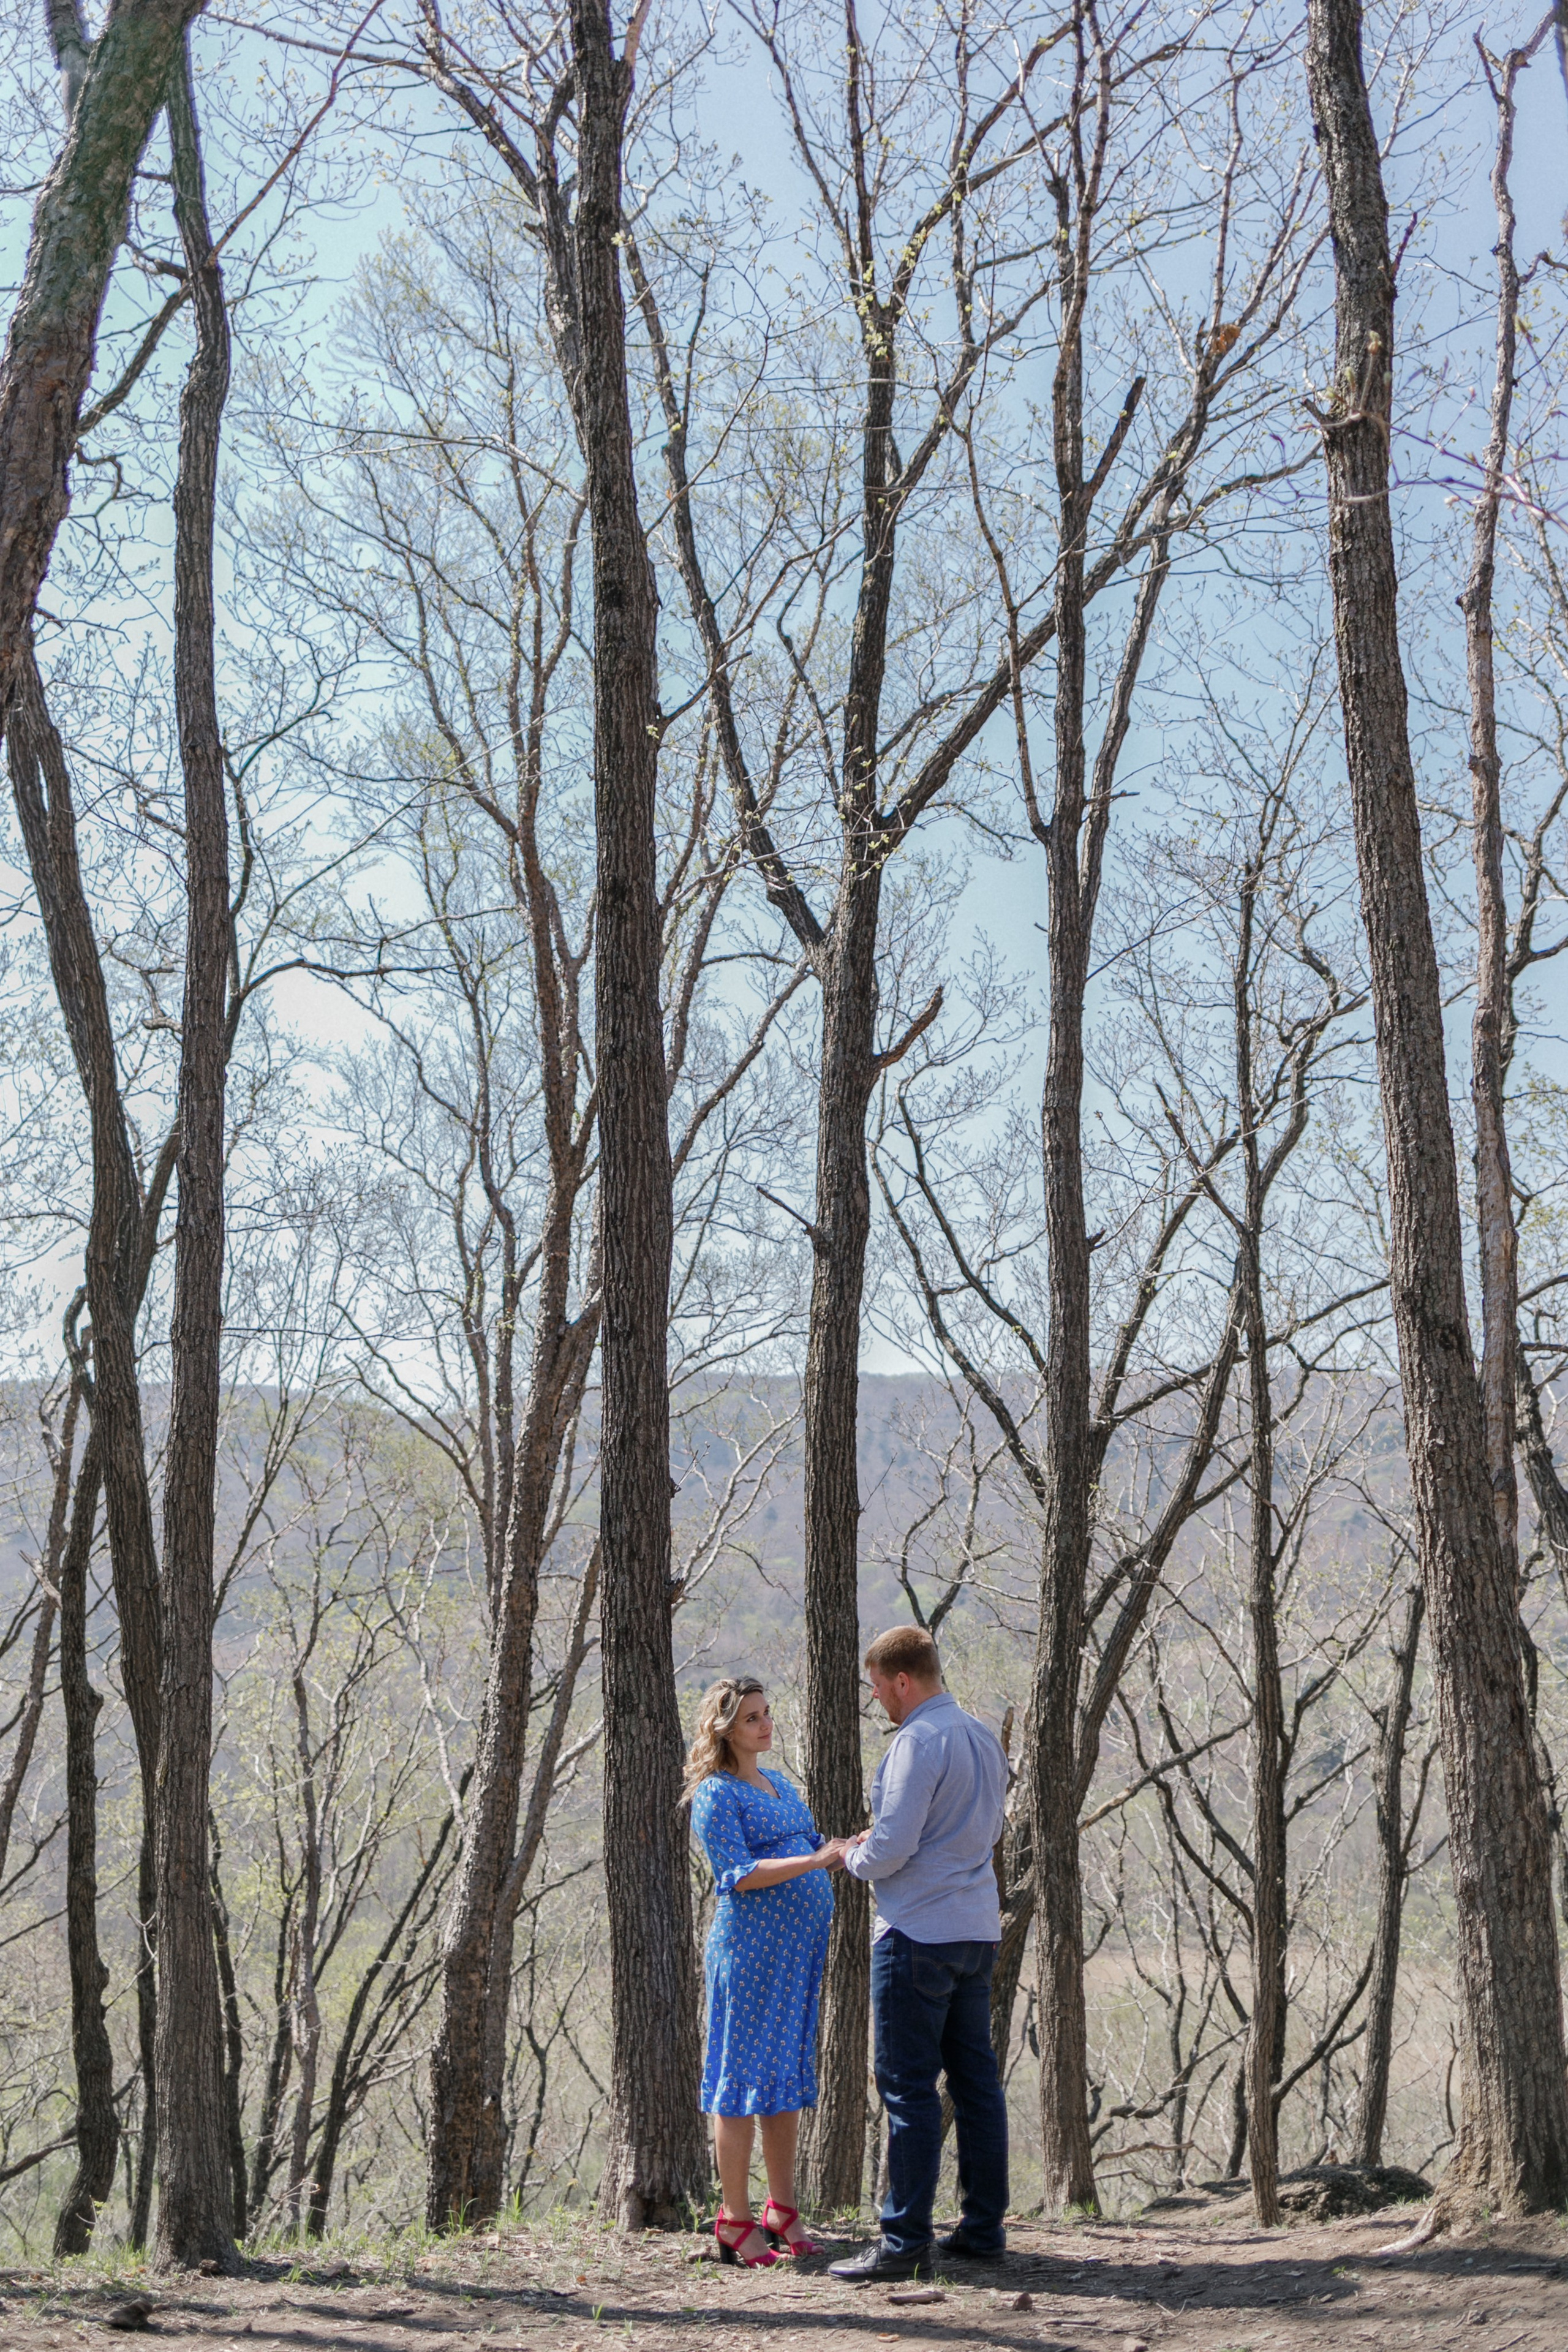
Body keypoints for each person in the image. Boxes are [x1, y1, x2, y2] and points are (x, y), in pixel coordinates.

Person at [829, 1624, 1010, 2282]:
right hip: (974, 1930)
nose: (877, 1698)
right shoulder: (982, 1737)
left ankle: (904, 2242)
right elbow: (982, 1831)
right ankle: (983, 2228)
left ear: (902, 1680)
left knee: (907, 2089)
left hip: (917, 1934)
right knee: (976, 2085)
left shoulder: (916, 1743)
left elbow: (892, 1849)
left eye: (877, 1686)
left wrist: (853, 1855)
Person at [685, 1676, 848, 2268]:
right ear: (725, 1728)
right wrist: (813, 1859)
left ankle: (783, 2208)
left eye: (766, 1713)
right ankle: (734, 2219)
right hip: (750, 1956)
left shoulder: (780, 1785)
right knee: (739, 2082)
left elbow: (810, 1846)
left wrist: (844, 1849)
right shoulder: (715, 1794)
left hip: (794, 1958)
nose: (765, 1724)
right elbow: (737, 1873)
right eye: (752, 1718)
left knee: (782, 2079)